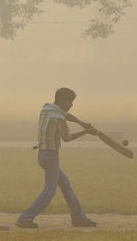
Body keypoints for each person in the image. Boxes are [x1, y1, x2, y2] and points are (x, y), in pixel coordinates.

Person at [16, 88, 99, 229]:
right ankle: (25, 218)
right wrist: (86, 132)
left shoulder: (46, 108)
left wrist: (81, 122)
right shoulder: (58, 118)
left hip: (42, 155)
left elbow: (66, 115)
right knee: (49, 191)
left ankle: (79, 218)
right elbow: (67, 138)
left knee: (65, 184)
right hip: (51, 157)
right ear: (61, 100)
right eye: (69, 102)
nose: (71, 105)